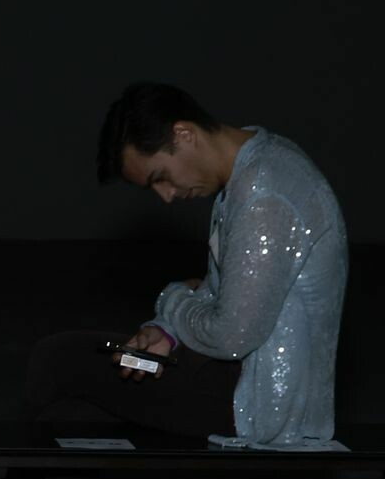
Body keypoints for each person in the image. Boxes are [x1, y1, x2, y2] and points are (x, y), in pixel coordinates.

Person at [22, 81, 348, 447]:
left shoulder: (263, 193)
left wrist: (172, 299)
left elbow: (231, 336)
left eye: (160, 177)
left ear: (184, 134)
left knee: (59, 359)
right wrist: (166, 333)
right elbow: (225, 293)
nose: (166, 196)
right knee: (82, 408)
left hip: (251, 403)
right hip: (234, 379)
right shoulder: (260, 166)